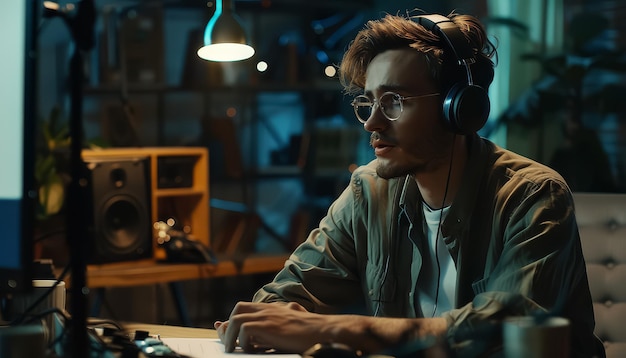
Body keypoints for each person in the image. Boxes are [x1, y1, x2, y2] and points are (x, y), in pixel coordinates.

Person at [214, 10, 605, 358]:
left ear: (459, 109)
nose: (371, 123)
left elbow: (501, 332)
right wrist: (269, 321)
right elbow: (284, 298)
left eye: (395, 102)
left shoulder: (532, 195)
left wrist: (335, 328)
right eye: (368, 103)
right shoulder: (367, 191)